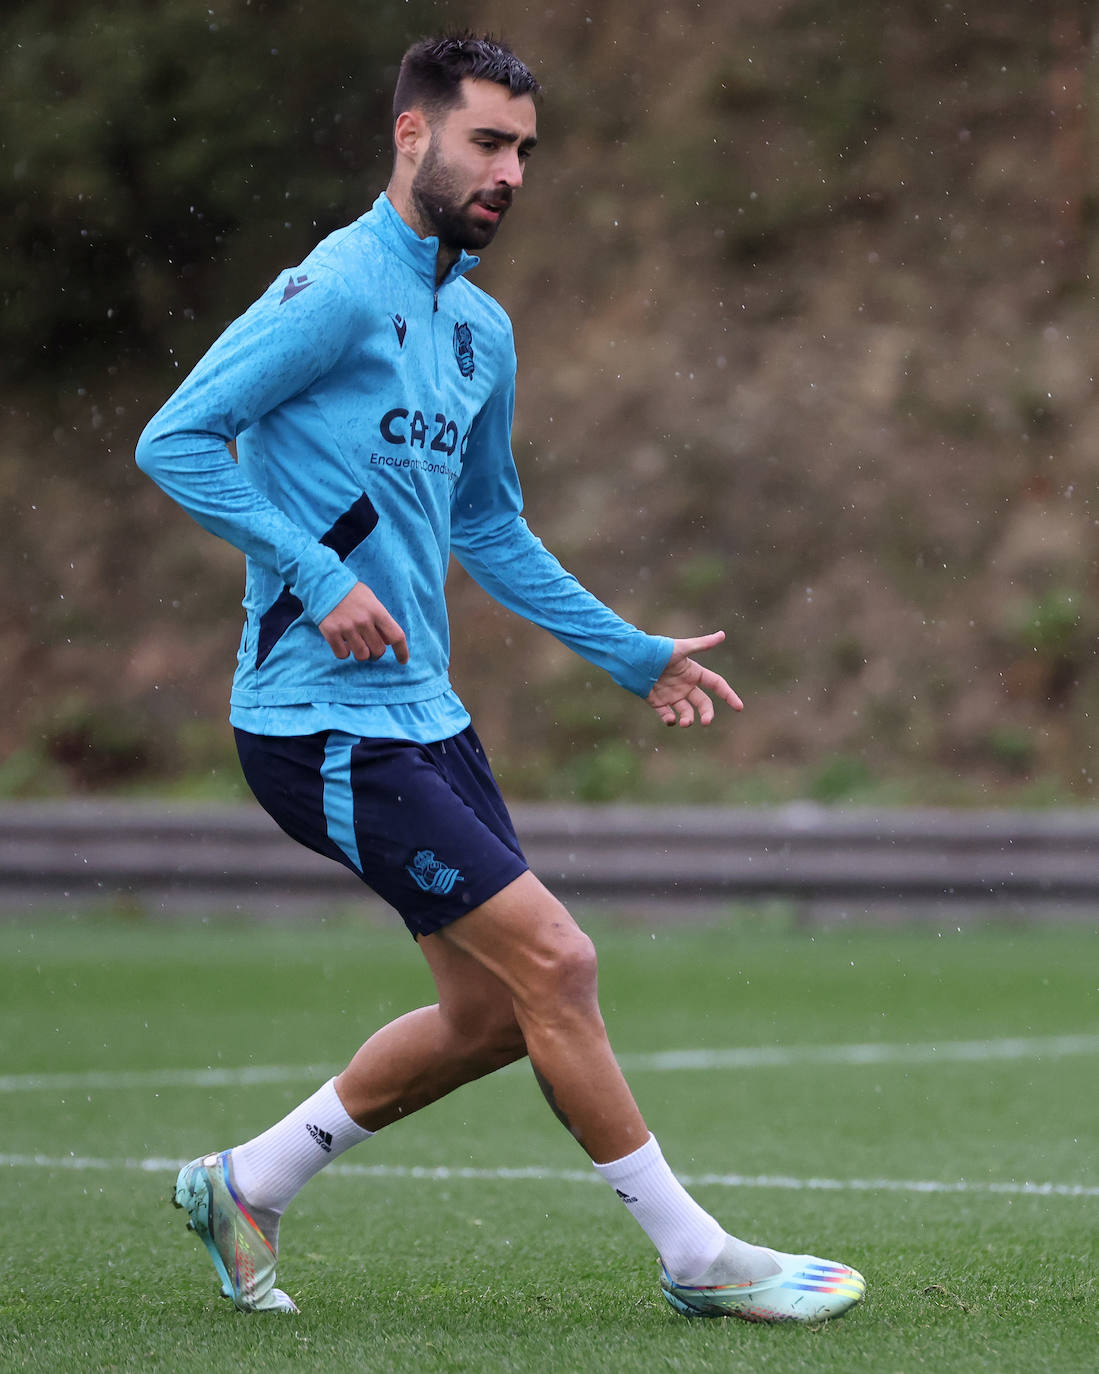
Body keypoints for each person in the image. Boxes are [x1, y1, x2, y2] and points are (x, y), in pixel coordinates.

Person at [135, 33, 864, 1325]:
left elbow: (492, 529)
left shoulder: (479, 329)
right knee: (559, 961)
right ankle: (696, 1254)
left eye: (524, 147)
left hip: (425, 719)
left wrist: (632, 652)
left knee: (486, 1014)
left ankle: (245, 1181)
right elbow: (177, 438)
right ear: (411, 135)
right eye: (487, 140)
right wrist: (314, 573)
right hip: (316, 725)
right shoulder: (336, 289)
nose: (510, 170)